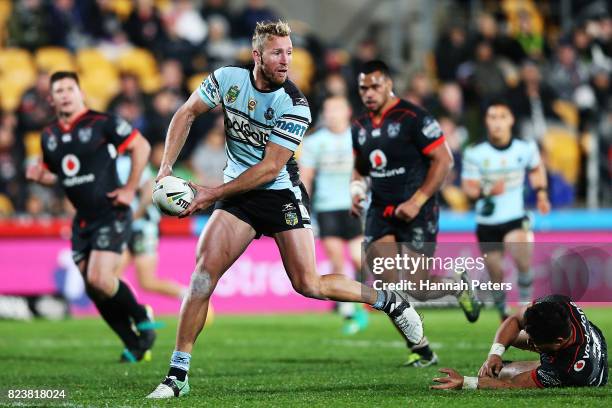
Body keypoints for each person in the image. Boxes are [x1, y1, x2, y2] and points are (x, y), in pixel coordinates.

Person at [146, 21, 423, 399]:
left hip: (279, 195)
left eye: (290, 52)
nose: (286, 60)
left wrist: (211, 194)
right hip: (237, 195)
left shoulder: (294, 104)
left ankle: (388, 301)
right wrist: (165, 168)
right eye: (278, 52)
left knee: (308, 283)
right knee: (201, 277)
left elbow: (270, 168)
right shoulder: (227, 78)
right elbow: (186, 113)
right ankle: (177, 376)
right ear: (257, 55)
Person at [350, 60, 481, 368]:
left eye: (375, 86)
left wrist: (418, 199)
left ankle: (457, 285)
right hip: (380, 210)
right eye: (363, 88)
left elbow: (444, 160)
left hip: (418, 210)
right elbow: (360, 166)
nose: (368, 93)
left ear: (388, 83)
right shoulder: (360, 126)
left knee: (417, 287)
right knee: (386, 286)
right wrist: (356, 189)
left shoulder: (413, 117)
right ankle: (420, 348)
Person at [26, 71, 157, 362]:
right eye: (58, 90)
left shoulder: (102, 122)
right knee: (94, 289)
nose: (65, 94)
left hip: (111, 211)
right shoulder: (49, 136)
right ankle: (134, 341)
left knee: (99, 279)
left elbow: (142, 146)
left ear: (80, 92)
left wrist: (129, 187)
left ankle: (141, 315)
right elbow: (61, 176)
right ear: (51, 99)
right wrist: (39, 177)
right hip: (82, 220)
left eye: (69, 88)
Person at [461, 100, 551, 321]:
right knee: (496, 273)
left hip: (515, 217)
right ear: (487, 122)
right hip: (487, 221)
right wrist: (487, 190)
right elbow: (468, 189)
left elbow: (536, 168)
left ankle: (525, 309)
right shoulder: (475, 152)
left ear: (510, 120)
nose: (497, 123)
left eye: (502, 117)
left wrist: (541, 193)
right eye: (492, 117)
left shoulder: (525, 147)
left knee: (523, 259)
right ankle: (503, 313)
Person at [431, 294, 608, 389]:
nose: (530, 344)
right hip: (589, 338)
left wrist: (465, 382)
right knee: (510, 335)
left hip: (587, 371)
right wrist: (495, 354)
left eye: (535, 343)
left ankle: (537, 365)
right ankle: (534, 361)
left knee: (502, 375)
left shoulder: (569, 369)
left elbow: (511, 385)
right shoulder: (560, 304)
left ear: (558, 341)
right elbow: (514, 320)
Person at [300, 95, 368, 335]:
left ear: (347, 112)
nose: (331, 114)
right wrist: (303, 206)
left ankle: (373, 299)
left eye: (336, 109)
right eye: (328, 110)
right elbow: (306, 177)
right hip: (327, 206)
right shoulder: (314, 142)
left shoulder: (359, 137)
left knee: (360, 259)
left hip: (354, 206)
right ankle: (350, 312)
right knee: (337, 260)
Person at [115, 155, 188, 300]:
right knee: (112, 276)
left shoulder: (129, 162)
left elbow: (148, 191)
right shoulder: (114, 163)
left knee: (147, 282)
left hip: (142, 228)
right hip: (127, 229)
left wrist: (135, 216)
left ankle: (188, 295)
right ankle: (131, 309)